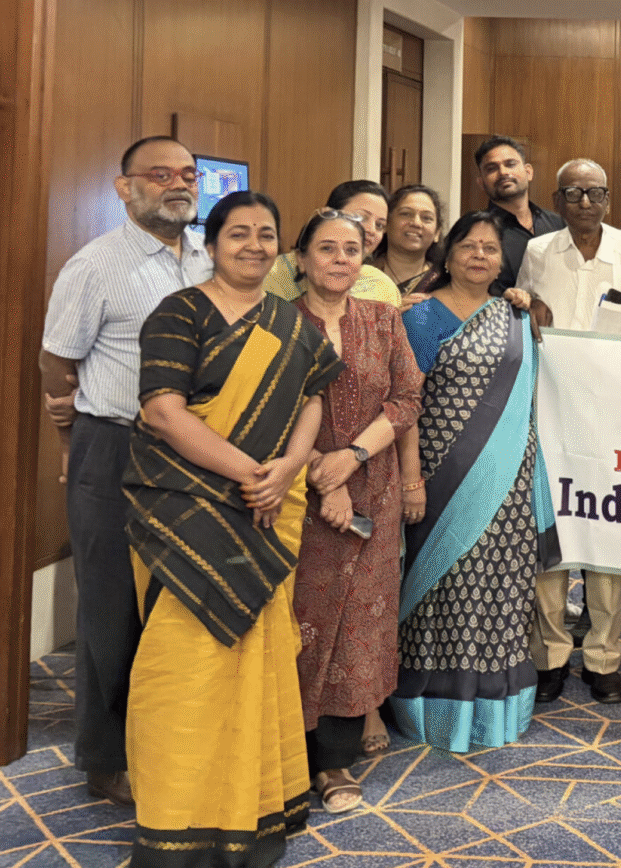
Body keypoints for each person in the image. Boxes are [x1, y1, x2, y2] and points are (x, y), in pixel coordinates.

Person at [123, 190, 342, 863]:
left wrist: (292, 466)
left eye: (266, 234)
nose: (254, 245)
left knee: (258, 659)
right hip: (186, 505)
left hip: (267, 504)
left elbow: (313, 397)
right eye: (239, 233)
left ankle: (252, 811)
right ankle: (177, 819)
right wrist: (254, 471)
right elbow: (163, 412)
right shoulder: (178, 312)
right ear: (212, 244)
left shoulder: (293, 323)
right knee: (182, 668)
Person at [39, 135, 212, 808]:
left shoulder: (208, 256)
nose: (179, 184)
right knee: (112, 606)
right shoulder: (96, 266)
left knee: (180, 602)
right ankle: (105, 758)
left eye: (188, 175)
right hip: (114, 446)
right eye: (161, 174)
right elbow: (57, 363)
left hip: (197, 451)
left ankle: (168, 737)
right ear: (124, 188)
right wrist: (68, 437)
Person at [393, 211, 561, 750]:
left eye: (490, 248)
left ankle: (495, 707)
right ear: (448, 253)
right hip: (441, 476)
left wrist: (527, 304)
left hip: (507, 478)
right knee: (441, 587)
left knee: (502, 591)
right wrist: (412, 479)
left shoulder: (513, 315)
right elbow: (406, 406)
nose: (480, 255)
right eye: (468, 245)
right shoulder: (422, 318)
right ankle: (434, 709)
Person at [518, 157, 621, 705]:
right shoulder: (538, 253)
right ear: (556, 202)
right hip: (550, 413)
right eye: (573, 193)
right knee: (551, 541)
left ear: (609, 200)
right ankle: (551, 655)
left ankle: (604, 657)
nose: (584, 203)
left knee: (606, 538)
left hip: (611, 420)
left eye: (595, 194)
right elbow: (523, 325)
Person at [291, 209, 423, 812]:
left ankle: (335, 763)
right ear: (301, 260)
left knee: (361, 627)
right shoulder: (276, 324)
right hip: (296, 497)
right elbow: (269, 410)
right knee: (301, 624)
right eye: (327, 249)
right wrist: (325, 477)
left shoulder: (382, 320)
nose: (342, 259)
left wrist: (350, 457)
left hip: (375, 491)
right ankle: (291, 758)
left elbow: (406, 398)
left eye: (351, 249)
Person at [263, 180, 402, 307]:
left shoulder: (382, 285)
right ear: (328, 214)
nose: (371, 230)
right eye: (361, 217)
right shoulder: (271, 273)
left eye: (380, 225)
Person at [476, 135, 565, 287]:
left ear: (528, 172)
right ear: (482, 183)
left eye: (510, 164)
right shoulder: (474, 232)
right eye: (492, 168)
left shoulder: (558, 224)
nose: (503, 172)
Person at [373, 183, 445, 305]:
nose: (416, 223)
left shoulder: (444, 283)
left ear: (437, 233)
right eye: (405, 214)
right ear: (386, 223)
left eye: (426, 218)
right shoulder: (362, 276)